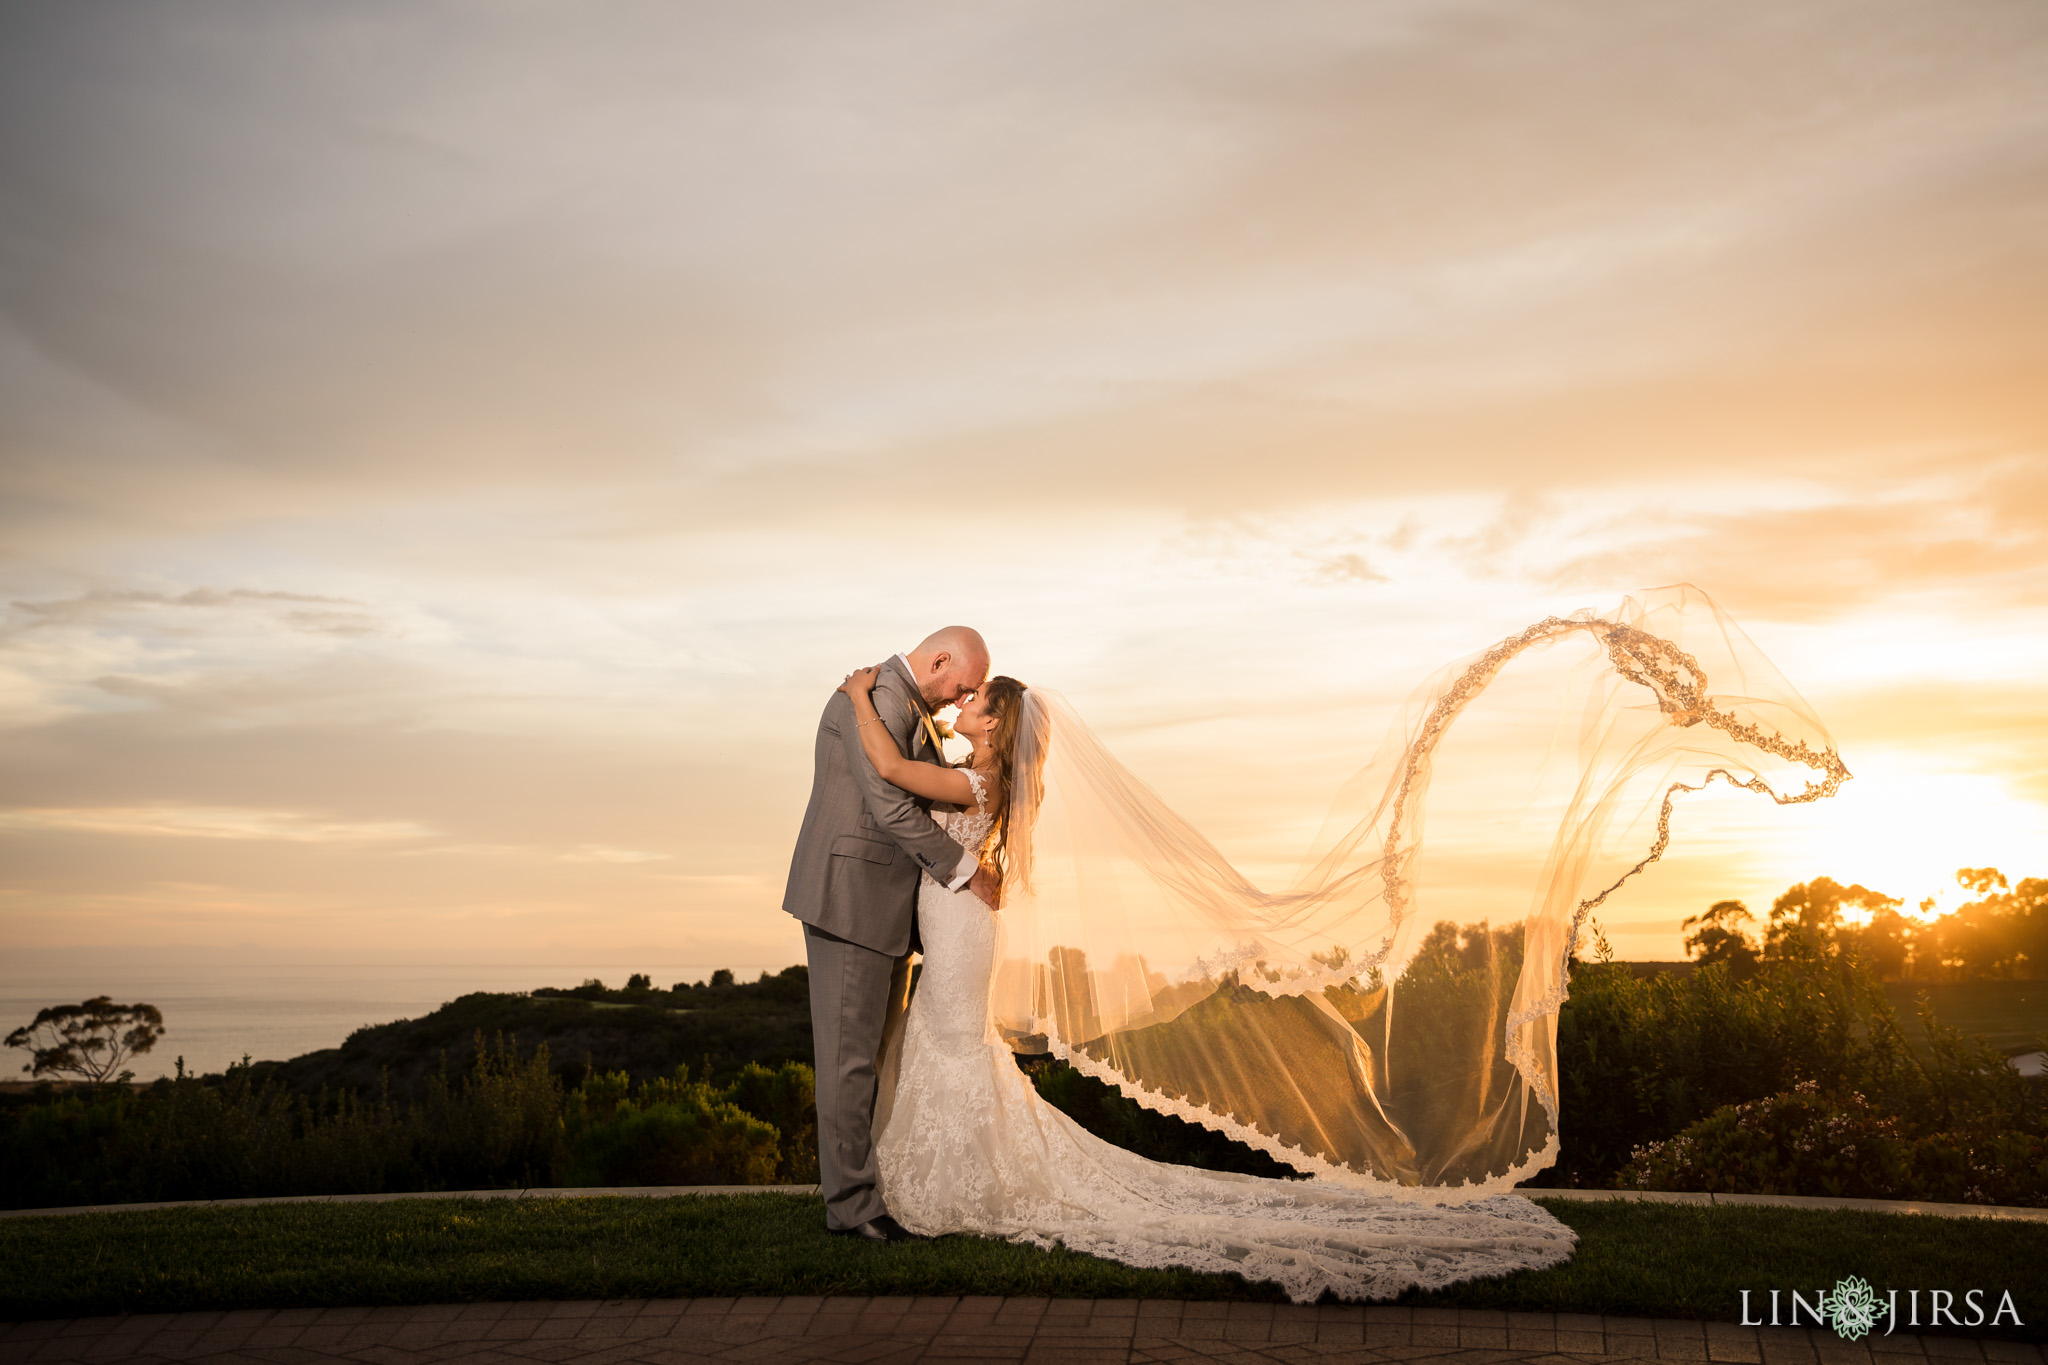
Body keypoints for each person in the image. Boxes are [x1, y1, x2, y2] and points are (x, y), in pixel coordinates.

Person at [822, 587, 1848, 1302]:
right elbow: (914, 781)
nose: (959, 711)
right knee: (953, 1041)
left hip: (961, 920)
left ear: (997, 724)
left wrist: (847, 695)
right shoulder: (995, 773)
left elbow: (894, 779)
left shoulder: (972, 778)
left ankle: (944, 1183)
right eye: (959, 698)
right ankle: (935, 1180)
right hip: (965, 918)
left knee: (953, 1041)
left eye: (970, 705)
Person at [781, 625, 1001, 1242]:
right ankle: (851, 1209)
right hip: (851, 900)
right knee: (850, 1062)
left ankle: (875, 1188)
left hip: (887, 908)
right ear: (939, 660)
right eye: (965, 684)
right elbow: (889, 804)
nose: (965, 698)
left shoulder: (906, 705)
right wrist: (965, 870)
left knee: (876, 1058)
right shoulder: (878, 697)